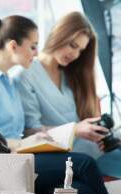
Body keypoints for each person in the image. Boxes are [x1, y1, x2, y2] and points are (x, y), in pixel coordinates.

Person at [0, 15, 121, 194]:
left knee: (83, 191)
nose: (36, 52)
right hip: (7, 163)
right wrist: (22, 144)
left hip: (21, 156)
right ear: (13, 46)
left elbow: (21, 130)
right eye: (32, 46)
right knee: (85, 164)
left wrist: (32, 139)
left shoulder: (7, 82)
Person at [12, 12, 121, 178]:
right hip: (65, 156)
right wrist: (76, 129)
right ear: (58, 35)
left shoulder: (70, 74)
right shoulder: (24, 75)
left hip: (91, 150)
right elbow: (30, 132)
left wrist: (97, 134)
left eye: (80, 50)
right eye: (72, 45)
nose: (75, 55)